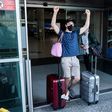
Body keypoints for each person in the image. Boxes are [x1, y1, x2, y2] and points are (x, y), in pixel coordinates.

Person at [51, 6, 91, 100]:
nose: (71, 25)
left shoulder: (76, 32)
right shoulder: (62, 33)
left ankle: (68, 89)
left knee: (77, 78)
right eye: (69, 24)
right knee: (68, 78)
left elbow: (86, 26)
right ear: (65, 25)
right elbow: (53, 24)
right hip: (65, 58)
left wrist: (88, 15)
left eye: (72, 24)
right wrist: (55, 12)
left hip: (75, 58)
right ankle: (66, 92)